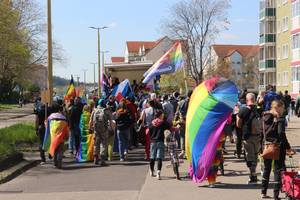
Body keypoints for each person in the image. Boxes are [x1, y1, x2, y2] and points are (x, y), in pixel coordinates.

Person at [261, 100, 294, 199]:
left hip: (266, 146)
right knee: (277, 170)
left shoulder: (264, 116)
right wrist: (288, 147)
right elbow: (281, 134)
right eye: (282, 108)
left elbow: (261, 132)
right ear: (278, 107)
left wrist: (260, 147)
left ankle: (263, 192)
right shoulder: (280, 118)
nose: (283, 110)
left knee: (266, 169)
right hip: (277, 147)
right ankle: (276, 195)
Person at [237, 93, 262, 184]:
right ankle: (254, 173)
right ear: (254, 99)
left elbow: (238, 124)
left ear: (247, 100)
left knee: (249, 156)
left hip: (247, 137)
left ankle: (253, 175)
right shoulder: (259, 109)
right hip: (258, 136)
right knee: (255, 155)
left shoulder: (243, 110)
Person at [89, 99, 112, 165]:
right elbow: (111, 121)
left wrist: (90, 128)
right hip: (104, 129)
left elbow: (90, 121)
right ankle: (102, 160)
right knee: (103, 144)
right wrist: (111, 128)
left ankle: (96, 158)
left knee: (96, 143)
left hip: (96, 129)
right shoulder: (106, 111)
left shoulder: (95, 110)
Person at [149, 110, 170, 180]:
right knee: (159, 158)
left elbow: (149, 131)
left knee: (152, 157)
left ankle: (151, 171)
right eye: (162, 114)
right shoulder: (163, 123)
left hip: (152, 141)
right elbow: (169, 128)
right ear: (160, 115)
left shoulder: (151, 123)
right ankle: (158, 173)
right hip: (160, 141)